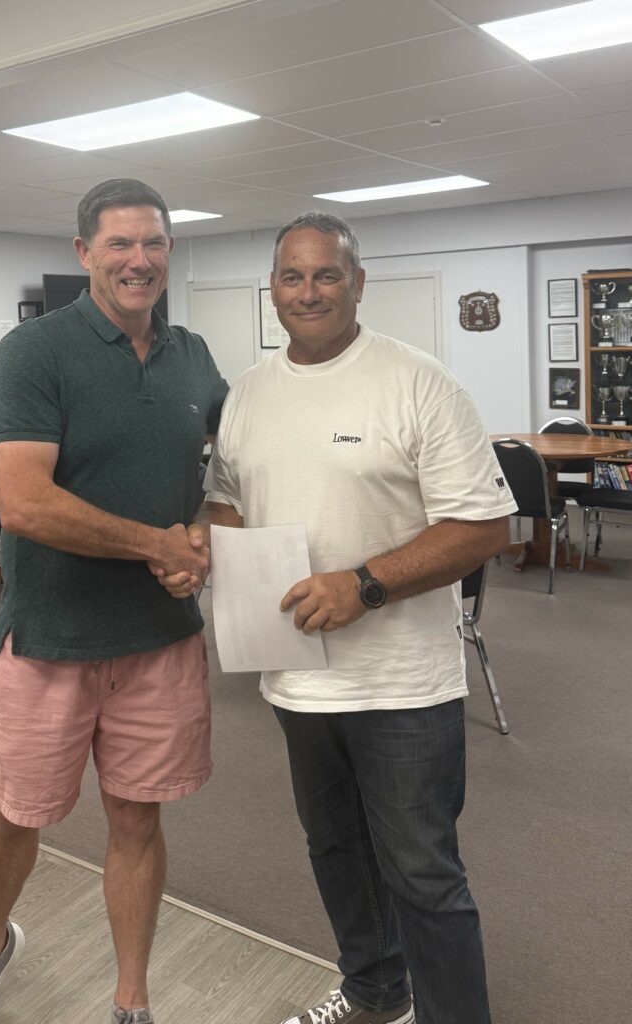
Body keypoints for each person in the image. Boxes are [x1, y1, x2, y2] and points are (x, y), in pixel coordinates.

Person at [156, 212, 516, 1024]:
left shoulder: (418, 382)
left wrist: (365, 585)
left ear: (357, 283)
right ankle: (374, 994)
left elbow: (483, 526)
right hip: (296, 678)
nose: (308, 291)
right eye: (292, 276)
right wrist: (200, 546)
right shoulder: (248, 394)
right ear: (272, 290)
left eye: (326, 274)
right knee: (335, 850)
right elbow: (228, 504)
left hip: (402, 684)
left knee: (422, 871)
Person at [0, 178, 228, 1024]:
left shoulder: (192, 355)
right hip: (49, 640)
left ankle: (131, 1000)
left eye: (154, 243)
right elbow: (25, 504)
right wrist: (158, 546)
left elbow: (232, 469)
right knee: (14, 817)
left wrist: (201, 536)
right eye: (119, 243)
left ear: (170, 251)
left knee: (137, 822)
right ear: (84, 253)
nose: (139, 260)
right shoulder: (36, 352)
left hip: (159, 642)